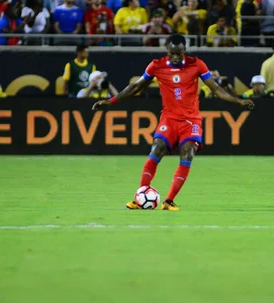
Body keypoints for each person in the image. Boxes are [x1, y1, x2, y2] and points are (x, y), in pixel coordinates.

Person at [92, 34, 254, 211]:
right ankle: (139, 197)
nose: (176, 57)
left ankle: (168, 201)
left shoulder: (197, 64)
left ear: (184, 50)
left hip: (191, 120)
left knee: (188, 152)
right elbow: (136, 87)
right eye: (172, 53)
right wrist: (111, 101)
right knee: (157, 148)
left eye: (179, 53)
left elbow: (215, 89)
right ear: (167, 51)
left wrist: (238, 101)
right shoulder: (156, 65)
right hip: (169, 118)